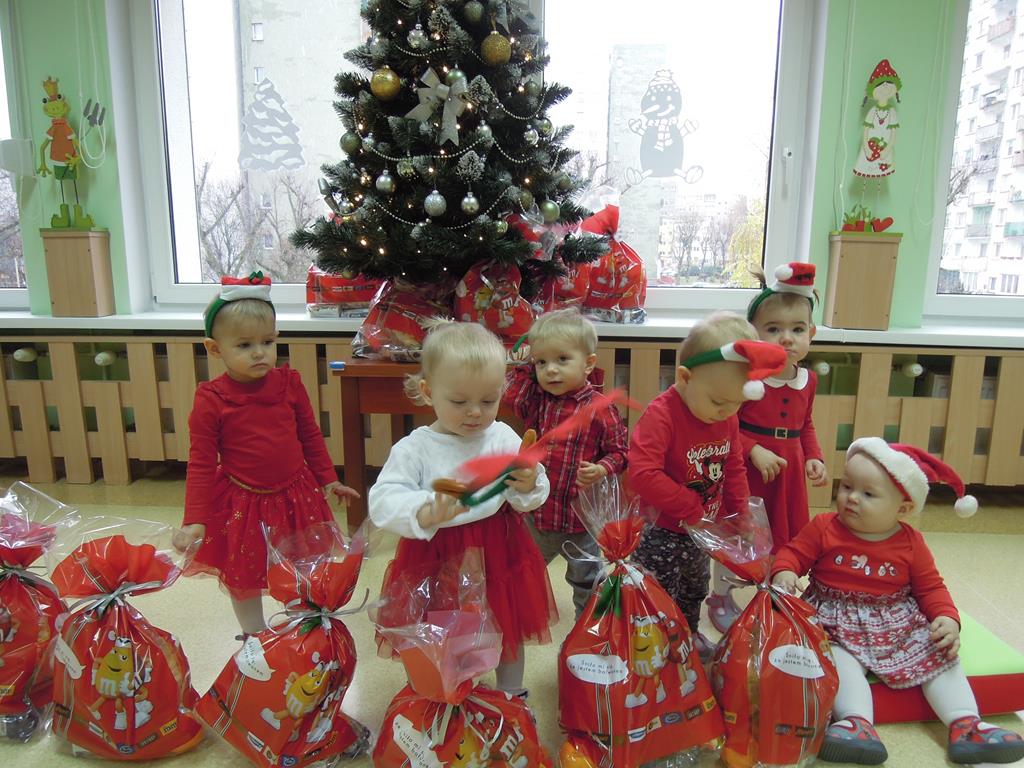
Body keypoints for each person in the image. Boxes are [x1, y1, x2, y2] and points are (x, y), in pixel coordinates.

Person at [772, 438, 1024, 766]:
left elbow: (931, 588)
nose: (852, 498)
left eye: (868, 494)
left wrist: (947, 618)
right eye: (846, 486)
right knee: (836, 660)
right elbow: (793, 553)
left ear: (902, 509)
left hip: (896, 621)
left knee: (939, 653)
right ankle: (855, 723)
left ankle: (966, 723)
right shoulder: (824, 527)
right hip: (833, 619)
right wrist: (785, 571)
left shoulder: (911, 542)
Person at [369, 321, 557, 697]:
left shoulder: (502, 436)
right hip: (436, 556)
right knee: (437, 633)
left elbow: (530, 494)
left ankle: (511, 694)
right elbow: (383, 501)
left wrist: (529, 483)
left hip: (498, 550)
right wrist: (424, 511)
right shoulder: (415, 448)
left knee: (506, 625)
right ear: (428, 392)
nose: (475, 413)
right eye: (459, 402)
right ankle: (439, 697)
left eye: (488, 401)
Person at [174, 273, 360, 636]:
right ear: (215, 349)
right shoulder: (211, 399)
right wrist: (194, 519)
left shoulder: (290, 383)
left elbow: (310, 436)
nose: (260, 352)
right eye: (244, 345)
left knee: (303, 565)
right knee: (243, 573)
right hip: (244, 503)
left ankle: (303, 627)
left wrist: (329, 479)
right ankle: (254, 636)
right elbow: (200, 463)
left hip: (296, 497)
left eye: (268, 341)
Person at [628, 311, 786, 659]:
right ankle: (656, 647)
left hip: (701, 529)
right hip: (662, 529)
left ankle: (688, 637)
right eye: (718, 402)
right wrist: (690, 508)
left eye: (737, 403)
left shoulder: (726, 417)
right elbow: (643, 473)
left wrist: (740, 513)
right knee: (657, 592)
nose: (727, 412)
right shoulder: (662, 415)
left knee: (693, 588)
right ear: (685, 377)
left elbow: (733, 465)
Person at [707, 262, 828, 633]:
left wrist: (814, 457)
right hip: (747, 475)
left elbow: (806, 425)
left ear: (811, 333)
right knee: (737, 534)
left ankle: (777, 591)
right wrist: (754, 450)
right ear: (754, 334)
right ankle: (721, 594)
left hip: (787, 479)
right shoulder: (747, 379)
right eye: (773, 329)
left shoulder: (808, 380)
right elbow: (725, 426)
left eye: (797, 329)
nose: (786, 339)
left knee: (783, 536)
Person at [503, 308, 628, 618]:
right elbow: (511, 396)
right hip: (538, 514)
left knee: (588, 580)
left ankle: (587, 628)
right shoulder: (538, 399)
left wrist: (602, 468)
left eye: (562, 360)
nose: (551, 371)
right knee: (522, 569)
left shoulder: (601, 409)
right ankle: (522, 617)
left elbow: (622, 452)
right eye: (541, 362)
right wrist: (525, 364)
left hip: (579, 520)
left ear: (588, 364)